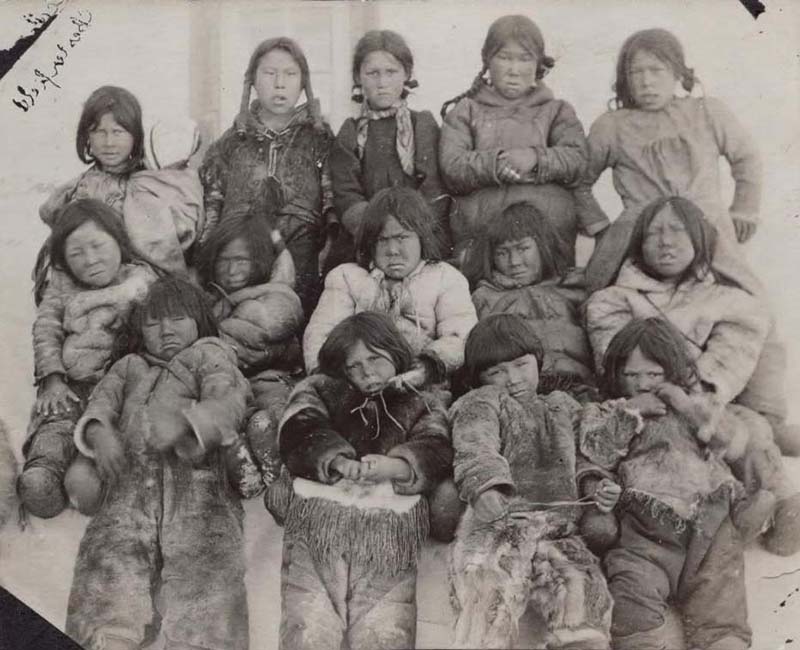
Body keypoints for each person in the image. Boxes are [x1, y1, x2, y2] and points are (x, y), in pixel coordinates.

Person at [585, 196, 800, 555]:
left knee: (751, 429)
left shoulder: (733, 302)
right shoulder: (612, 301)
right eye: (653, 233)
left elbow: (729, 363)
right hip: (641, 403)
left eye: (677, 231)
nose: (665, 241)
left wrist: (689, 399)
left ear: (699, 238)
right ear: (638, 242)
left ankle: (783, 505)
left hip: (706, 404)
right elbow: (614, 357)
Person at [64, 276, 253, 650]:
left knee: (207, 576)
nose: (166, 330)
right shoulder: (129, 366)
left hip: (199, 486)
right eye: (152, 323)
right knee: (108, 563)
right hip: (129, 483)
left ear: (199, 320)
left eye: (178, 318)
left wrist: (187, 423)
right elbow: (100, 404)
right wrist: (101, 436)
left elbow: (229, 401)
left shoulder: (210, 354)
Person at [578, 318, 763, 650]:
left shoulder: (695, 404)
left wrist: (687, 407)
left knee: (719, 583)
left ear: (673, 371)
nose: (643, 384)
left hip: (709, 514)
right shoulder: (606, 409)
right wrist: (628, 412)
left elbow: (732, 443)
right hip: (644, 522)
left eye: (654, 374)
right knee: (633, 581)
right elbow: (594, 450)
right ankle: (641, 641)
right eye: (631, 375)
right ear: (615, 374)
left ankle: (722, 640)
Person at [277, 312, 453, 650]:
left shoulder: (421, 397)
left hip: (387, 527)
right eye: (354, 366)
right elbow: (300, 424)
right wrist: (338, 461)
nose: (366, 371)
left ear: (396, 354)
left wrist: (397, 466)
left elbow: (436, 445)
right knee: (308, 616)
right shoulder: (320, 388)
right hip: (321, 521)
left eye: (375, 359)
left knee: (386, 623)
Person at [449, 313, 612, 650]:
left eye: (521, 365)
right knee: (490, 595)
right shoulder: (482, 402)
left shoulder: (561, 407)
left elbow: (584, 457)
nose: (513, 379)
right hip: (499, 525)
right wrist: (485, 487)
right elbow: (476, 444)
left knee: (582, 588)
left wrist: (596, 485)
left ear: (538, 362)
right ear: (479, 378)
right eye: (496, 372)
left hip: (557, 528)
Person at [577, 28, 762, 295]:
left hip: (706, 228)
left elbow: (747, 158)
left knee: (746, 302)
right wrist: (600, 228)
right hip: (641, 233)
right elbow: (578, 181)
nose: (646, 82)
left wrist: (744, 210)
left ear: (677, 72)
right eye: (635, 72)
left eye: (656, 70)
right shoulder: (612, 126)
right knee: (602, 301)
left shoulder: (707, 112)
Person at [19, 199, 156, 518]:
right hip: (73, 384)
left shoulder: (141, 283)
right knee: (55, 425)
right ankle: (45, 473)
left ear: (119, 242)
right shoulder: (62, 288)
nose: (90, 259)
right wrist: (53, 377)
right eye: (76, 253)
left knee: (120, 436)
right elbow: (47, 329)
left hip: (122, 388)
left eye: (97, 245)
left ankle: (99, 479)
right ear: (64, 260)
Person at [439, 14, 604, 264]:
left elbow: (577, 158)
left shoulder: (556, 110)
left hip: (548, 233)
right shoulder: (466, 110)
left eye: (524, 58)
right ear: (487, 61)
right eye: (504, 57)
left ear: (538, 64)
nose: (514, 70)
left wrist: (535, 159)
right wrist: (495, 164)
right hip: (483, 231)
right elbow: (452, 166)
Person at [199, 37, 335, 315]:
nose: (280, 83)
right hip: (241, 257)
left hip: (302, 255)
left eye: (290, 74)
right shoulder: (231, 143)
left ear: (303, 83)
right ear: (252, 81)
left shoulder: (320, 140)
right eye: (270, 73)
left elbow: (331, 205)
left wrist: (326, 252)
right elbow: (213, 205)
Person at [303, 187, 477, 392]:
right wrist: (328, 380)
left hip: (420, 386)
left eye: (402, 238)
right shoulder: (347, 278)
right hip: (355, 384)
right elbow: (321, 331)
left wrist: (427, 367)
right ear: (369, 243)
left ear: (422, 237)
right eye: (382, 240)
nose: (393, 250)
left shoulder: (445, 278)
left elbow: (461, 335)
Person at [38, 85, 203, 287]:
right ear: (86, 136)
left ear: (135, 135)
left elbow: (170, 249)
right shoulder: (74, 191)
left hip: (144, 288)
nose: (109, 142)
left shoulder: (151, 185)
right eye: (98, 131)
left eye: (118, 132)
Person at [195, 211, 304, 502]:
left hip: (271, 378)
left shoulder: (276, 299)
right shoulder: (209, 299)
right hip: (229, 382)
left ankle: (282, 471)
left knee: (273, 412)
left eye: (241, 260)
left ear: (259, 262)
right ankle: (242, 463)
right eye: (223, 260)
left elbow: (246, 338)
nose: (231, 270)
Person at [328, 29, 450, 269]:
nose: (382, 83)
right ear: (358, 77)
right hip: (365, 241)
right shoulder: (351, 132)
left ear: (406, 73)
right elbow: (346, 193)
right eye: (372, 73)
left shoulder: (421, 124)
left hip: (419, 239)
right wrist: (376, 233)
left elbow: (433, 188)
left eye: (391, 72)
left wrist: (408, 234)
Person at [466, 202, 596, 400]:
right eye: (502, 252)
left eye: (523, 248)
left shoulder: (574, 288)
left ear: (543, 245)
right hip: (517, 395)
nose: (514, 262)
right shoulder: (484, 298)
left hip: (580, 391)